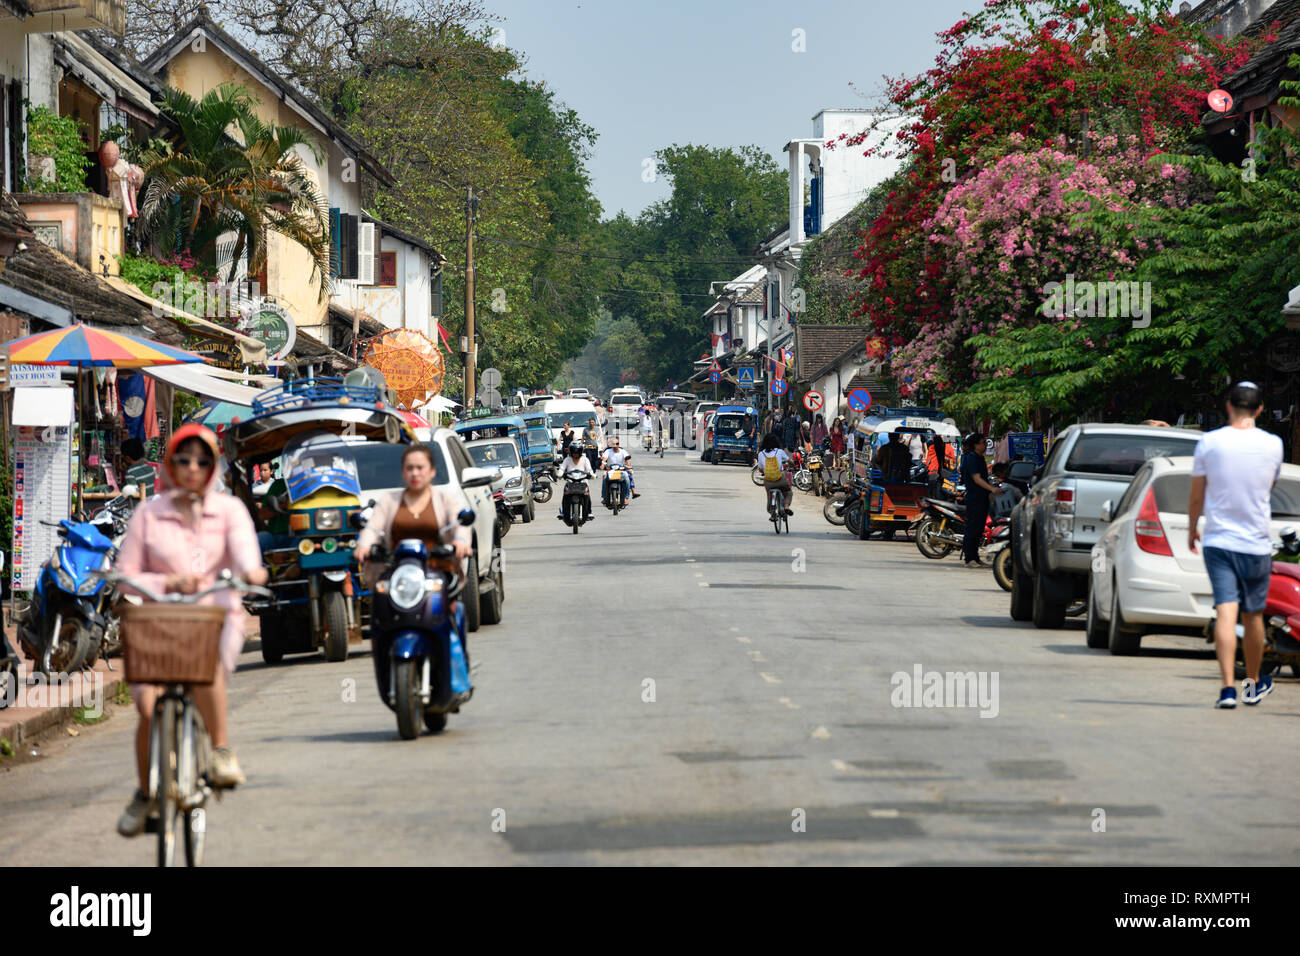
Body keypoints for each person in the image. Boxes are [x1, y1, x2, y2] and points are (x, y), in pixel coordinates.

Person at [114, 424, 269, 837]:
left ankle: (219, 750)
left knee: (207, 669)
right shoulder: (150, 512)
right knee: (147, 706)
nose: (193, 468)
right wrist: (167, 583)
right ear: (170, 464)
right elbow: (126, 574)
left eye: (203, 460)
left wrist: (250, 574)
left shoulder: (230, 510)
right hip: (159, 622)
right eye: (184, 459)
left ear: (213, 466)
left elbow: (246, 560)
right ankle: (146, 792)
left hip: (214, 618)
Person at [1189, 381, 1284, 709]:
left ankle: (1227, 688)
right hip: (1256, 544)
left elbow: (1197, 495)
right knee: (1254, 616)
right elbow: (1269, 485)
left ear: (1228, 406)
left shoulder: (1209, 443)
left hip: (1219, 541)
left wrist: (1192, 529)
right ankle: (1253, 683)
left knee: (1225, 613)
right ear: (1259, 410)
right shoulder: (1273, 445)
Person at [959, 432, 1004, 567]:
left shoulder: (978, 458)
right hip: (974, 497)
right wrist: (992, 489)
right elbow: (976, 478)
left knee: (979, 529)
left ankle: (975, 557)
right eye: (983, 442)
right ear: (976, 445)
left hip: (981, 497)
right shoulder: (972, 458)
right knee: (972, 528)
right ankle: (969, 558)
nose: (985, 445)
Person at [557, 442, 595, 523]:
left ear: (581, 452)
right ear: (570, 452)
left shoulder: (585, 459)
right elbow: (562, 469)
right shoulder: (567, 460)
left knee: (587, 496)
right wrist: (560, 474)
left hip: (583, 482)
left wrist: (592, 475)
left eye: (577, 452)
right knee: (565, 496)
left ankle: (589, 512)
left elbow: (589, 470)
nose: (575, 454)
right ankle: (564, 512)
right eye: (574, 452)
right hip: (570, 482)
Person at [757, 434, 793, 516]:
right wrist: (793, 466)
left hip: (768, 481)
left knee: (769, 494)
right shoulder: (780, 451)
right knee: (788, 491)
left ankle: (772, 514)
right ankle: (786, 506)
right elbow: (789, 461)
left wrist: (765, 471)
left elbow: (760, 469)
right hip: (780, 479)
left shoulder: (761, 454)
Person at [600, 436, 634, 506]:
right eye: (614, 444)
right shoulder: (608, 451)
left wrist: (628, 466)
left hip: (621, 471)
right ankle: (605, 497)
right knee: (604, 477)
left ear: (619, 444)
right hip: (610, 470)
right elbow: (604, 459)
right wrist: (602, 465)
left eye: (617, 443)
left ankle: (626, 498)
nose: (615, 445)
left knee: (627, 479)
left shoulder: (623, 451)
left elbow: (627, 460)